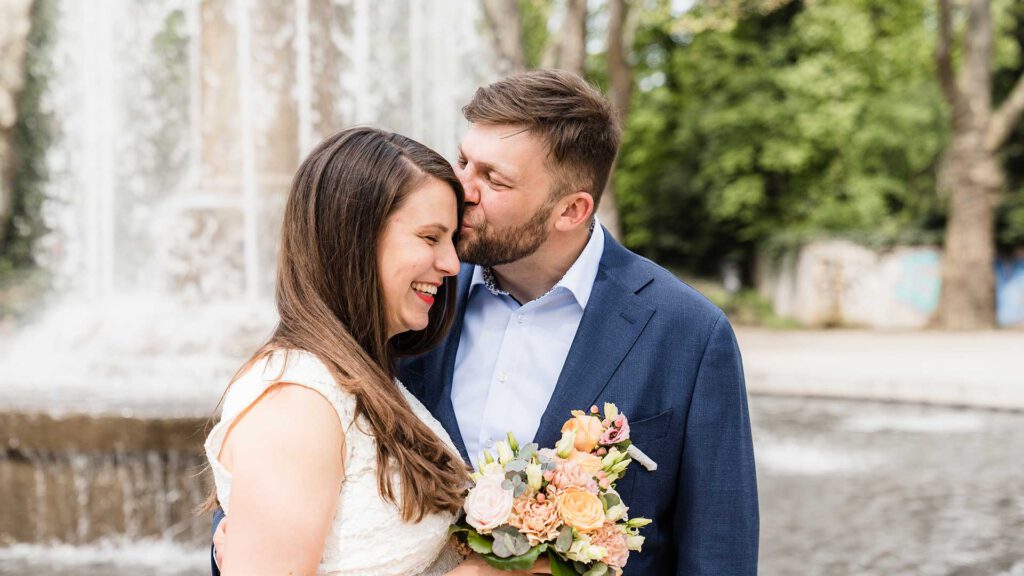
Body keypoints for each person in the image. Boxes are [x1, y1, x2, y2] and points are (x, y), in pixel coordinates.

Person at [398, 69, 760, 574]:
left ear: (571, 210)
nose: (460, 190)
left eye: (493, 179)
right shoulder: (414, 296)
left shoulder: (689, 334)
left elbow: (720, 551)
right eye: (462, 162)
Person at [203, 127, 548, 575]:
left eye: (450, 241)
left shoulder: (370, 377)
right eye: (430, 238)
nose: (451, 263)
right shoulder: (295, 403)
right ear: (354, 239)